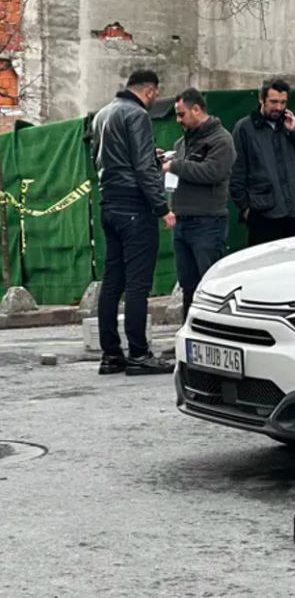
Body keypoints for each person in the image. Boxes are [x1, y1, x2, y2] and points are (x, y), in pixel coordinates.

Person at [91, 69, 175, 376]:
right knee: (138, 284)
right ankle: (139, 353)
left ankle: (111, 354)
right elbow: (142, 168)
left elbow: (97, 159)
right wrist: (161, 207)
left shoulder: (102, 115)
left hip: (109, 202)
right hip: (135, 207)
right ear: (150, 91)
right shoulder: (137, 115)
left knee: (113, 281)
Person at [163, 88, 235, 319]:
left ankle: (217, 333)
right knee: (188, 285)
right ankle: (190, 332)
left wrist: (175, 166)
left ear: (196, 109)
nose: (178, 119)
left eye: (181, 113)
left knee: (211, 285)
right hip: (182, 221)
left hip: (207, 221)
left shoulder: (221, 139)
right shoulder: (182, 142)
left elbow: (212, 172)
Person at [229, 78, 295, 247]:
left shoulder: (292, 123)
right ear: (261, 99)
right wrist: (246, 209)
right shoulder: (244, 128)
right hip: (264, 215)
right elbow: (236, 172)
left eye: (283, 102)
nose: (278, 107)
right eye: (273, 102)